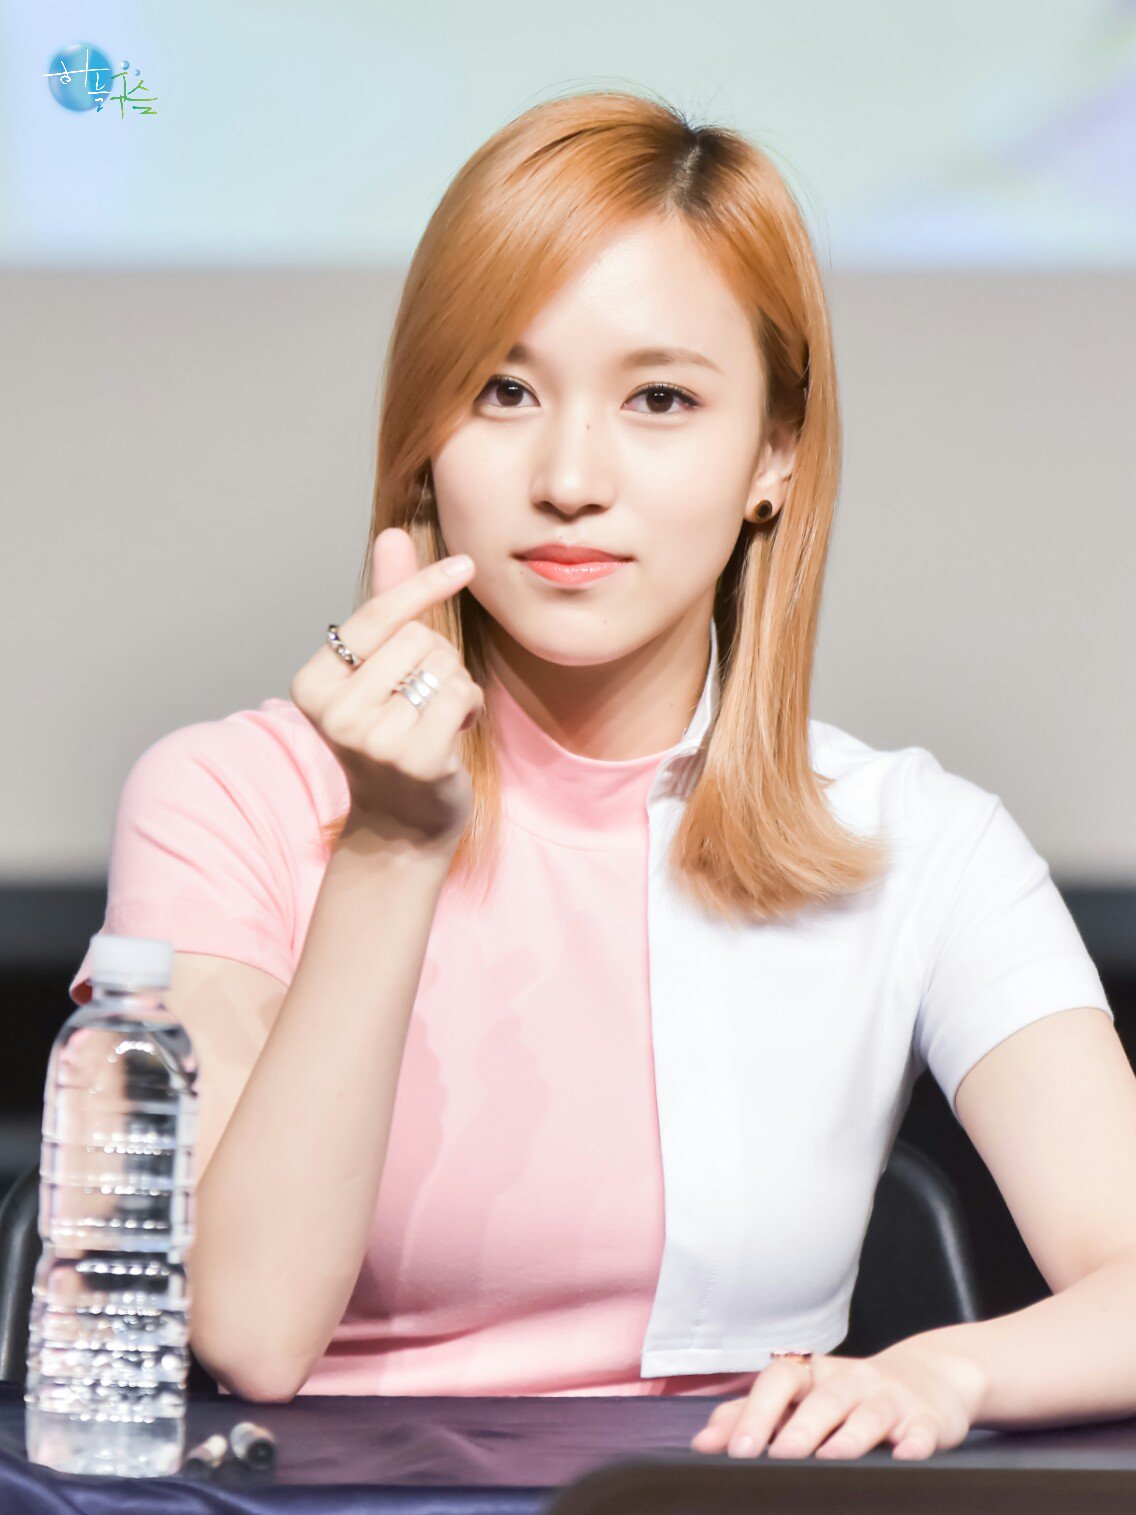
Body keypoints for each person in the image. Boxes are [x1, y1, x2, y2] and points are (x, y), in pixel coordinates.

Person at [69, 89, 1128, 1460]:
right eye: (504, 392)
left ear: (775, 453)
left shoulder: (918, 839)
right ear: (426, 440)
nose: (571, 476)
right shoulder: (227, 798)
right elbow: (254, 1333)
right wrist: (389, 845)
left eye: (660, 399)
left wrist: (943, 1374)